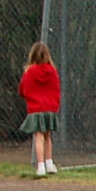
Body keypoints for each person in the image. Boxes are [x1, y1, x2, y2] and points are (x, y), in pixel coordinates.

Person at [18, 42, 61, 177]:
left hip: (36, 108)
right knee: (48, 136)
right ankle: (50, 163)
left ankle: (40, 166)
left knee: (38, 136)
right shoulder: (52, 71)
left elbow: (23, 90)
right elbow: (56, 89)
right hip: (50, 107)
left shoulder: (30, 71)